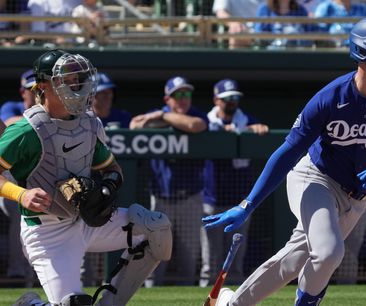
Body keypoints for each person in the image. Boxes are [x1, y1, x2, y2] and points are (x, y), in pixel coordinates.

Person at [203, 16, 366, 305]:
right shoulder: (330, 97)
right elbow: (288, 151)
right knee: (329, 251)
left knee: (295, 258)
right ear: (362, 50)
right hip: (316, 178)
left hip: (358, 196)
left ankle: (232, 304)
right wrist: (247, 205)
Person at [4, 49, 172, 306]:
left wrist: (105, 188)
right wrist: (21, 193)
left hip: (85, 219)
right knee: (73, 303)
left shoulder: (89, 124)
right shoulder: (25, 130)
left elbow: (113, 169)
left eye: (77, 79)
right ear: (43, 87)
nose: (75, 85)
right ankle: (31, 304)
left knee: (157, 228)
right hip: (48, 232)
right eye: (66, 80)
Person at [130, 76, 208, 286]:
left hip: (190, 199)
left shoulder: (194, 115)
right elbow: (134, 125)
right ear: (168, 98)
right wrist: (161, 117)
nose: (183, 99)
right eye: (178, 95)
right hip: (161, 199)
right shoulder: (157, 115)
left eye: (186, 94)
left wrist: (162, 116)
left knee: (189, 257)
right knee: (155, 253)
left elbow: (196, 125)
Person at [199, 79, 268, 287]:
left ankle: (234, 300)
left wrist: (256, 129)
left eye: (235, 98)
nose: (232, 102)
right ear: (216, 100)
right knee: (210, 261)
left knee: (236, 260)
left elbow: (263, 128)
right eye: (227, 98)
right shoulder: (206, 121)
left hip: (240, 203)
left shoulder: (245, 119)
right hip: (212, 199)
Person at [0, 70, 37, 287]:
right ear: (22, 91)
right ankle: (17, 272)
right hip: (7, 179)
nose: (35, 94)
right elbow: (7, 123)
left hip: (20, 178)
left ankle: (30, 273)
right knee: (19, 210)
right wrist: (40, 120)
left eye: (38, 89)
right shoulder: (12, 107)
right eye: (31, 90)